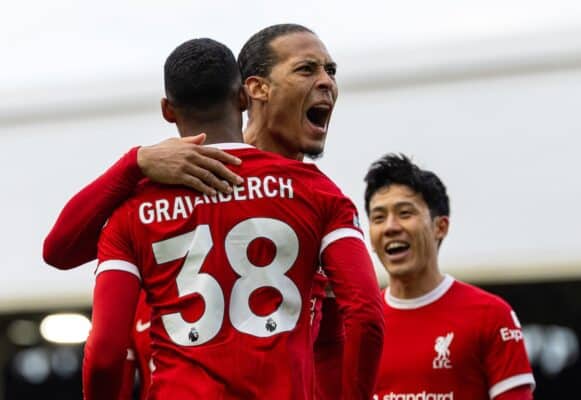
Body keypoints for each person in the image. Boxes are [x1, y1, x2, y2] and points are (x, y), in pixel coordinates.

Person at [44, 24, 373, 399]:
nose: (326, 82)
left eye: (331, 71)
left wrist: (131, 165)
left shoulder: (138, 208)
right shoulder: (317, 196)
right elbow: (365, 317)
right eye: (306, 69)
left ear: (168, 110)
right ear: (249, 93)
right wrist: (133, 163)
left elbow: (334, 342)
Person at [364, 153, 535, 400]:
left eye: (404, 213)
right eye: (378, 217)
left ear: (440, 227)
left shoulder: (490, 315)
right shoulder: (361, 325)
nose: (390, 227)